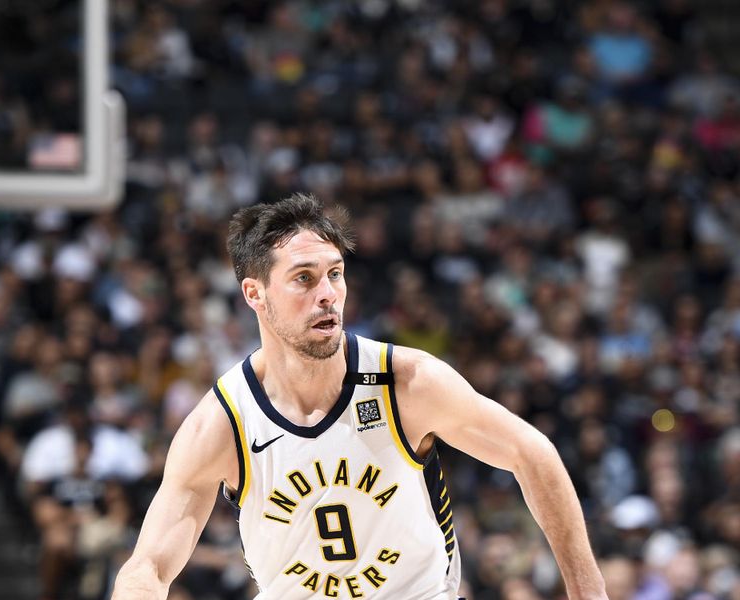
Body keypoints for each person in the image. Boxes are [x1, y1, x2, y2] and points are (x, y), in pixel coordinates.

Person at [111, 193, 606, 600]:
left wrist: (587, 592)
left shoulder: (406, 381)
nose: (327, 293)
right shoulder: (222, 423)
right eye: (303, 278)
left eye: (335, 273)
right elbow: (148, 567)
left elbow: (533, 452)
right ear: (254, 295)